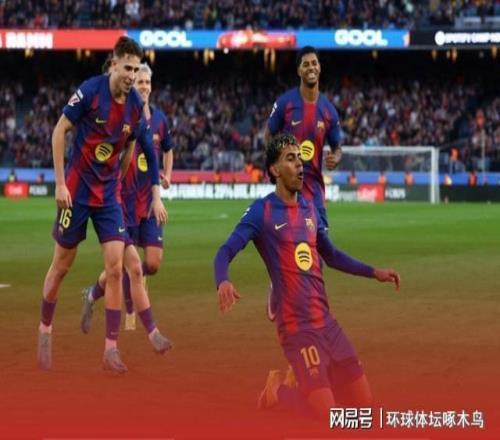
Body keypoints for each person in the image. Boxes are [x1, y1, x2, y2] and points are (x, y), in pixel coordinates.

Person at [213, 134, 400, 417]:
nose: (300, 164)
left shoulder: (309, 208)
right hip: (297, 329)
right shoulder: (261, 211)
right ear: (275, 169)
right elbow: (224, 251)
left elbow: (332, 255)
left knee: (364, 408)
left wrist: (375, 272)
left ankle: (303, 384)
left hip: (327, 323)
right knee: (328, 416)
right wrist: (223, 280)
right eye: (291, 159)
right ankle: (277, 391)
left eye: (300, 158)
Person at [37, 36, 167, 374]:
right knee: (61, 267)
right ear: (114, 64)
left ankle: (111, 349)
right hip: (77, 190)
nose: (131, 76)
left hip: (108, 195)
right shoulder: (91, 91)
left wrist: (116, 184)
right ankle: (45, 331)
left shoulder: (135, 105)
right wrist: (60, 183)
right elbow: (59, 131)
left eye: (136, 70)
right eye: (128, 68)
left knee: (115, 268)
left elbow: (131, 146)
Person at [81, 62, 174, 347]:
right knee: (127, 267)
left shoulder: (158, 120)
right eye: (139, 81)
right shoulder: (120, 115)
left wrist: (161, 187)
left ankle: (95, 294)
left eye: (146, 82)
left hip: (148, 203)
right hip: (122, 202)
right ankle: (145, 332)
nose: (142, 86)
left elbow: (163, 152)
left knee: (151, 264)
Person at [265, 46, 343, 320]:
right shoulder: (285, 103)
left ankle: (309, 308)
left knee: (318, 250)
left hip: (315, 192)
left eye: (315, 63)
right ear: (299, 70)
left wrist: (335, 157)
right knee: (291, 247)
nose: (311, 68)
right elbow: (268, 133)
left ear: (320, 68)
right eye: (306, 64)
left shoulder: (329, 111)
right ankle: (281, 288)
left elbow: (337, 147)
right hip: (290, 190)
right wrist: (275, 165)